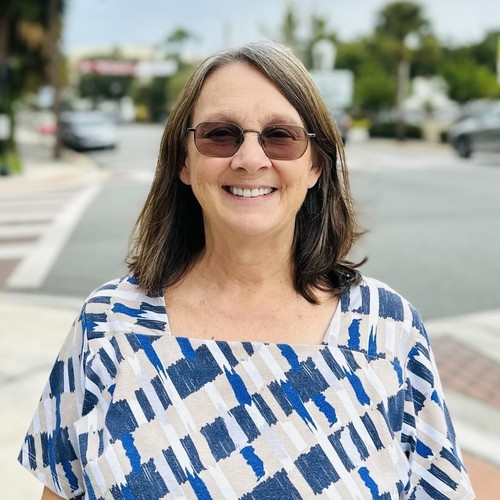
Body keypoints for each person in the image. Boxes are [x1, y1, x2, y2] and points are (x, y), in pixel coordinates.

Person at [19, 40, 475, 499]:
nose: (251, 159)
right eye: (221, 134)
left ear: (316, 164)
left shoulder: (389, 331)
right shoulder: (107, 325)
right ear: (184, 161)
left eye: (280, 136)